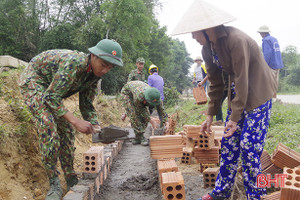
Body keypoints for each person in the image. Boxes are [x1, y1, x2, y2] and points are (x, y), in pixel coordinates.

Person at [172, 1, 277, 200]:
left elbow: (242, 79)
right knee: (229, 144)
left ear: (206, 29)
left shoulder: (235, 40)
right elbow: (216, 84)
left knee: (249, 149)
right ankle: (221, 192)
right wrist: (210, 115)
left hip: (258, 95)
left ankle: (255, 195)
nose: (193, 37)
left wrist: (234, 118)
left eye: (194, 32)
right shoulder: (207, 49)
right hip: (238, 93)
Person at [18, 39, 123, 200]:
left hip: (52, 91)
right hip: (35, 80)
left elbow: (86, 104)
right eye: (104, 64)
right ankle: (53, 182)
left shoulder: (94, 76)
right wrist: (75, 120)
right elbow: (51, 96)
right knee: (48, 124)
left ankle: (70, 176)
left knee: (66, 130)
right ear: (93, 56)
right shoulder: (74, 63)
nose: (105, 70)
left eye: (110, 67)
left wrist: (97, 128)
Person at [120, 81, 168, 146]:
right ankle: (140, 136)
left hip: (137, 91)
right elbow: (140, 111)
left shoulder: (156, 96)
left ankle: (138, 136)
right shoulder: (139, 96)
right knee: (134, 115)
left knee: (145, 117)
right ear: (146, 99)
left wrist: (166, 121)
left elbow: (161, 109)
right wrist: (151, 120)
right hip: (127, 93)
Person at [257, 25, 284, 96]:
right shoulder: (274, 39)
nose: (260, 34)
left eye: (260, 33)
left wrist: (264, 64)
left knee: (269, 81)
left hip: (271, 64)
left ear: (263, 33)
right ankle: (274, 96)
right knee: (275, 81)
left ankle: (269, 97)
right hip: (278, 63)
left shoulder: (266, 40)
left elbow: (267, 53)